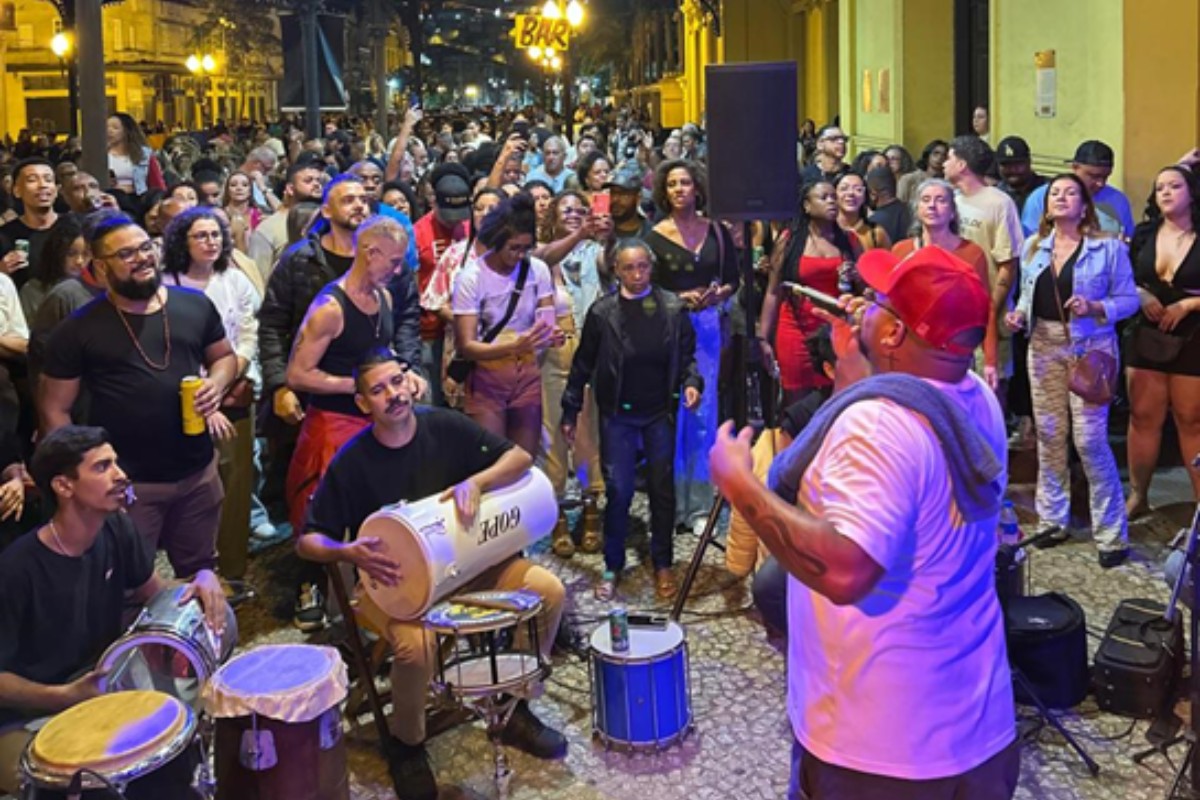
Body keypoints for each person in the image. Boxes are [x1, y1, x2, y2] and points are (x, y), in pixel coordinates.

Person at [710, 244, 1017, 799]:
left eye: (876, 301)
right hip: (973, 728)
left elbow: (847, 570)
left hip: (881, 750)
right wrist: (858, 367)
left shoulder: (877, 427)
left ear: (897, 335)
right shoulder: (974, 400)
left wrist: (742, 487)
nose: (858, 306)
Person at [297, 350, 566, 800]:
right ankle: (407, 744)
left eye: (397, 382)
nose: (393, 395)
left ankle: (515, 706)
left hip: (470, 569)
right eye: (378, 390)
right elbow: (309, 541)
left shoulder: (442, 425)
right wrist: (348, 551)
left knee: (549, 593)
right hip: (392, 586)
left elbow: (519, 457)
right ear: (364, 404)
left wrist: (477, 482)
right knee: (417, 646)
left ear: (409, 383)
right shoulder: (352, 461)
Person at [0, 425, 230, 794]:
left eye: (117, 463)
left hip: (100, 691)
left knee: (174, 745)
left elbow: (157, 595)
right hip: (25, 717)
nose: (121, 475)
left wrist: (201, 578)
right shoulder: (16, 570)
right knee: (86, 782)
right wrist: (64, 696)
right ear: (63, 486)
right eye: (102, 467)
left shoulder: (116, 528)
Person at [40, 214, 235, 582]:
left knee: (202, 573)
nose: (142, 258)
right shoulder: (78, 329)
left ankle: (197, 639)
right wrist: (84, 478)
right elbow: (55, 409)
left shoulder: (193, 305)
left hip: (197, 473)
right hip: (129, 482)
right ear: (100, 267)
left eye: (146, 247)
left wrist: (218, 384)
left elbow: (224, 357)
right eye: (126, 254)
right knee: (128, 583)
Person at [285, 215, 419, 628]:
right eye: (393, 261)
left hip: (374, 422)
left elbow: (386, 351)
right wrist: (360, 388)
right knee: (324, 513)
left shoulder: (385, 298)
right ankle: (312, 588)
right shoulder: (329, 307)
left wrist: (404, 373)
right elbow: (297, 374)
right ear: (369, 251)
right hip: (334, 422)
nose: (397, 271)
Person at [1005, 174, 1138, 567]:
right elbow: (1028, 296)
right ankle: (1052, 519)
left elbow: (1128, 299)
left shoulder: (1107, 249)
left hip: (1090, 347)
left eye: (1070, 193)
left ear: (1084, 206)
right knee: (1048, 435)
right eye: (1055, 194)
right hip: (1043, 346)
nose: (1061, 198)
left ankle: (1111, 533)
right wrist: (1018, 315)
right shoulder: (1034, 247)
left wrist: (1097, 308)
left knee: (1090, 440)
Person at [563, 239, 701, 599]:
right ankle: (612, 565)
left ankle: (663, 563)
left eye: (643, 266)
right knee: (619, 490)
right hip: (618, 414)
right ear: (617, 270)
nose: (637, 274)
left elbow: (688, 358)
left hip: (659, 411)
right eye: (629, 268)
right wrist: (570, 408)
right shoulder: (603, 312)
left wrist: (691, 384)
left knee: (661, 490)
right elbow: (582, 364)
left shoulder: (672, 308)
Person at [161, 207, 261, 582]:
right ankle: (193, 571)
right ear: (182, 242)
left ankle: (232, 572)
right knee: (194, 489)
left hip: (233, 389)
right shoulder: (166, 285)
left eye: (216, 235)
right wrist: (205, 397)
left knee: (235, 485)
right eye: (201, 235)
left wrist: (232, 375)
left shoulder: (233, 280)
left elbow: (248, 333)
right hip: (183, 398)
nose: (210, 242)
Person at [643, 159, 738, 529]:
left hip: (709, 326)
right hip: (670, 328)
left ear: (697, 187)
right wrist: (679, 298)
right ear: (663, 192)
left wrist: (719, 293)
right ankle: (670, 505)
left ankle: (699, 505)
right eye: (672, 184)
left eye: (685, 182)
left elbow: (732, 278)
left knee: (703, 415)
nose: (680, 189)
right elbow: (646, 289)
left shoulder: (716, 230)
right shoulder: (654, 237)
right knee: (673, 414)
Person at [452, 194, 560, 455]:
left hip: (527, 373)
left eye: (526, 248)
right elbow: (467, 345)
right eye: (513, 248)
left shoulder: (537, 270)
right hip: (488, 375)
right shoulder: (472, 278)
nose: (520, 255)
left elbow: (546, 316)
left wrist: (551, 333)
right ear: (496, 242)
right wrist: (514, 346)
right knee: (492, 457)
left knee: (524, 457)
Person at [1123, 164, 1200, 518]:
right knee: (1143, 416)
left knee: (1191, 418)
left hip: (1193, 332)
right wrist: (1139, 293)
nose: (1166, 192)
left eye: (1174, 186)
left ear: (1191, 193)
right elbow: (1122, 276)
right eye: (1159, 187)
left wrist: (1188, 303)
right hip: (1148, 331)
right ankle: (1139, 495)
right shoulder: (1144, 233)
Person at [537, 190, 607, 558]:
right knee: (552, 434)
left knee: (587, 433)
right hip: (552, 355)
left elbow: (615, 273)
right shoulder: (540, 253)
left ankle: (592, 508)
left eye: (582, 209)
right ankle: (558, 516)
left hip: (591, 352)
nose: (576, 214)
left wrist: (606, 238)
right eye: (568, 209)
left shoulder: (594, 252)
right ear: (552, 214)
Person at [759, 181, 861, 406]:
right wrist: (763, 338)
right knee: (796, 402)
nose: (832, 202)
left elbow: (867, 290)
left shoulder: (850, 241)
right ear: (806, 205)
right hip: (795, 331)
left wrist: (857, 276)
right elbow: (773, 292)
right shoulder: (790, 240)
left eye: (834, 197)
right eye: (824, 198)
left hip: (834, 333)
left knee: (835, 399)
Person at [892, 178, 997, 385]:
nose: (932, 205)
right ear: (917, 209)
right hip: (910, 350)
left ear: (952, 212)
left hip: (955, 351)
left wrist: (990, 360)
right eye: (926, 199)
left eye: (940, 200)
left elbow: (986, 309)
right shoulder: (901, 250)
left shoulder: (971, 253)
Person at [945, 135, 1024, 400]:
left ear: (962, 165)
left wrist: (991, 307)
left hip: (989, 312)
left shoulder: (998, 202)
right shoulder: (950, 201)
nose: (944, 163)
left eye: (949, 158)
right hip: (953, 314)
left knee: (991, 390)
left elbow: (1008, 263)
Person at [412, 163, 472, 406]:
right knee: (433, 401)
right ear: (434, 201)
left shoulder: (470, 228)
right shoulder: (417, 233)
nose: (453, 223)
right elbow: (413, 286)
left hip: (463, 334)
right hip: (428, 330)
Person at [1021, 140, 1135, 239]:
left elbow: (1128, 239)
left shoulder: (1118, 200)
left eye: (1105, 177)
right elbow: (1031, 243)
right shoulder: (1042, 197)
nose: (1100, 183)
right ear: (1075, 167)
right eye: (1093, 176)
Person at [248, 161, 325, 279]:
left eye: (318, 181)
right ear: (290, 189)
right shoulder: (268, 229)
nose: (316, 184)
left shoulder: (329, 223)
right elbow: (258, 278)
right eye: (308, 181)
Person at [0, 158, 60, 290]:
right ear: (16, 190)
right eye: (32, 180)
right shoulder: (4, 236)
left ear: (56, 189)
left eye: (48, 180)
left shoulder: (73, 227)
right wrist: (2, 273)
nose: (42, 185)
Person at [18, 215, 84, 326]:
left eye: (86, 254)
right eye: (71, 254)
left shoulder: (102, 289)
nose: (79, 261)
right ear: (57, 254)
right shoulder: (33, 290)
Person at [106, 113, 165, 197]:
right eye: (107, 127)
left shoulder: (143, 154)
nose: (109, 131)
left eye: (115, 128)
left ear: (126, 131)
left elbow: (156, 182)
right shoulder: (101, 154)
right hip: (109, 199)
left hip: (137, 199)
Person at [835, 172, 889, 250]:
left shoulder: (876, 233)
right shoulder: (825, 231)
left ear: (865, 196)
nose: (851, 193)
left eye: (858, 189)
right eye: (844, 189)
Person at [995, 136, 1046, 218]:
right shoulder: (995, 195)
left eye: (1018, 164)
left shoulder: (1046, 191)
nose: (1012, 170)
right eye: (1006, 165)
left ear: (1029, 162)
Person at [897, 139, 948, 206]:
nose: (940, 157)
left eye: (944, 155)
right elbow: (899, 206)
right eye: (936, 153)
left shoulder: (947, 182)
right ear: (928, 155)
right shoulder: (909, 180)